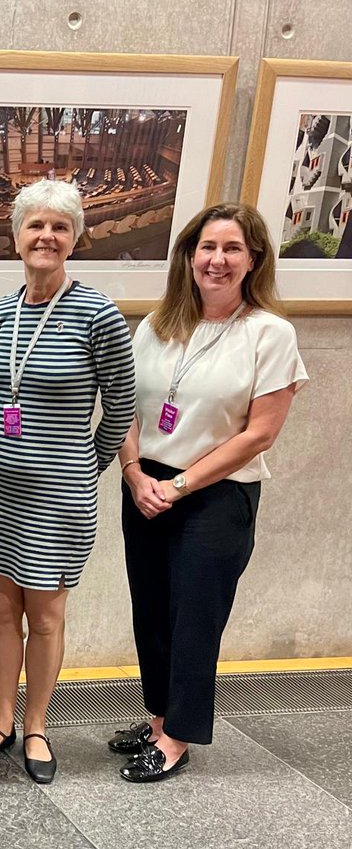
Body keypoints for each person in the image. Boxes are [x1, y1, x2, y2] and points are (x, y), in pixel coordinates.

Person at [113, 203, 307, 781]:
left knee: (195, 616)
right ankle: (157, 717)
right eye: (207, 247)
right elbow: (126, 405)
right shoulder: (156, 324)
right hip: (145, 483)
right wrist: (132, 474)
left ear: (253, 260)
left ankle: (177, 737)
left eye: (231, 249)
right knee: (151, 610)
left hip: (216, 495)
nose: (216, 259)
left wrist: (177, 486)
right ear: (188, 256)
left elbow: (259, 434)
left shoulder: (270, 333)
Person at [0, 180, 136, 784]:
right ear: (14, 238)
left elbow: (124, 401)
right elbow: (4, 394)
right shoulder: (4, 311)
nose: (46, 237)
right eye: (35, 226)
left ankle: (36, 726)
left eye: (60, 227)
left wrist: (88, 461)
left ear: (75, 239)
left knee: (48, 617)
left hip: (59, 494)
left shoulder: (96, 312)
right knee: (1, 612)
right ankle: (1, 719)